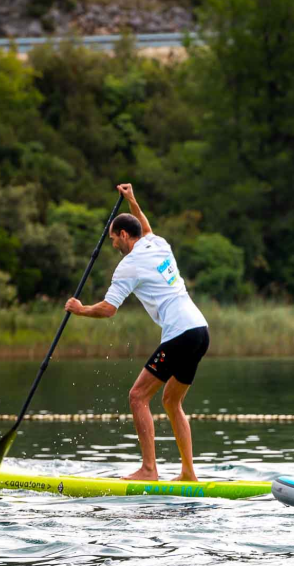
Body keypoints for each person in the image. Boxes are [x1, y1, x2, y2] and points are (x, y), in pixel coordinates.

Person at [64, 183, 210, 482]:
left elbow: (108, 309)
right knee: (171, 402)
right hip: (200, 330)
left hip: (180, 333)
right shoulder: (158, 243)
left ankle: (148, 469)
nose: (113, 244)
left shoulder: (128, 266)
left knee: (137, 396)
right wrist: (131, 200)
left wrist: (80, 309)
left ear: (124, 235)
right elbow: (143, 222)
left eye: (113, 238)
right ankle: (188, 473)